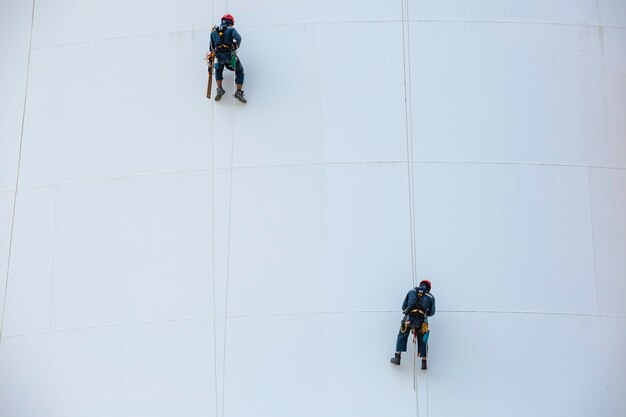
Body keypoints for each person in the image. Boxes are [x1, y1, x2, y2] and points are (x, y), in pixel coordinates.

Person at [390, 280, 435, 370]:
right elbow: (431, 312)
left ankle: (397, 357)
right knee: (423, 339)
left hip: (409, 319)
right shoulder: (431, 297)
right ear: (429, 288)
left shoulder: (411, 292)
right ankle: (424, 362)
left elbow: (403, 307)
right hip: (422, 321)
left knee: (402, 334)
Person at [207, 14, 246, 103]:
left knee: (218, 70)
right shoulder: (231, 30)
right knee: (239, 70)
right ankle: (238, 92)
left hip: (218, 57)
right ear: (230, 22)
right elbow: (238, 38)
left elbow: (211, 48)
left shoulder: (213, 33)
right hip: (229, 56)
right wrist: (236, 46)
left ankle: (219, 89)